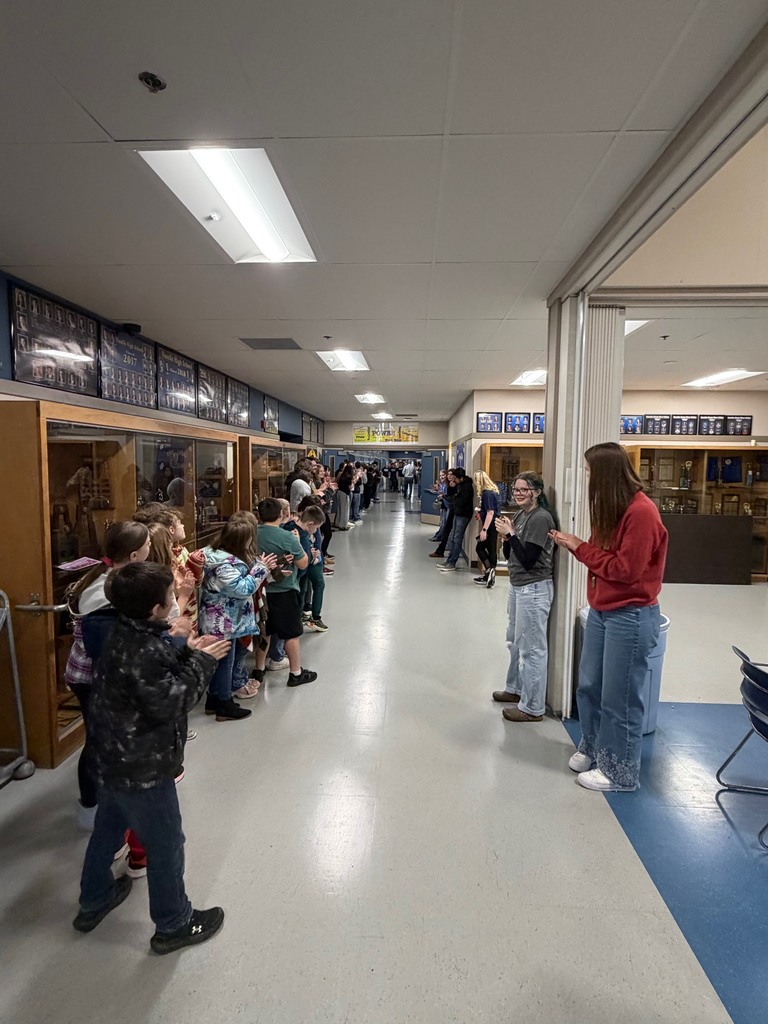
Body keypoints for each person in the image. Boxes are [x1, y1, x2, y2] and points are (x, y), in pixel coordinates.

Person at [73, 561, 230, 954]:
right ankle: (173, 923)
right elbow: (172, 700)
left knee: (108, 830)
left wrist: (183, 648)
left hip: (111, 756)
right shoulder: (142, 649)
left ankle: (95, 897)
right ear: (156, 608)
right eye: (170, 597)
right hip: (142, 766)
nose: (174, 601)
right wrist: (203, 661)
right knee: (166, 842)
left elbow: (153, 674)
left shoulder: (121, 630)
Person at [551, 442, 668, 792]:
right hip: (603, 612)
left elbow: (625, 570)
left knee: (620, 697)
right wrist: (579, 547)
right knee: (589, 685)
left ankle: (620, 772)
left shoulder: (641, 513)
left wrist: (580, 547)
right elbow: (602, 555)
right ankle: (594, 746)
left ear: (604, 475)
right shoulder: (611, 510)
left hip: (630, 616)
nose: (586, 478)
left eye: (589, 472)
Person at [64, 521, 151, 832]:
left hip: (95, 672)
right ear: (134, 555)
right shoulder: (107, 591)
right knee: (99, 741)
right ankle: (94, 806)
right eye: (147, 545)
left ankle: (106, 802)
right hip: (94, 676)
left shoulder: (112, 579)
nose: (151, 549)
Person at [493, 473, 556, 722]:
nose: (518, 493)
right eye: (516, 489)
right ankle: (515, 688)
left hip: (534, 588)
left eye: (524, 489)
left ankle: (532, 707)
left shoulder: (540, 518)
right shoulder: (520, 515)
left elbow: (529, 560)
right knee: (515, 641)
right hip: (518, 585)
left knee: (532, 649)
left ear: (537, 492)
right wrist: (507, 536)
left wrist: (510, 535)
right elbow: (510, 554)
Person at [198, 519, 272, 720]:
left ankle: (214, 699)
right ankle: (224, 704)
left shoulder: (218, 556)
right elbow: (242, 589)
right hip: (223, 621)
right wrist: (261, 569)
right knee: (225, 663)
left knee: (222, 661)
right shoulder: (224, 565)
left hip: (223, 618)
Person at [251, 498, 316, 686]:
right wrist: (298, 543)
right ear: (281, 514)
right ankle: (296, 672)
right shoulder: (287, 537)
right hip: (284, 590)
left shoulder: (252, 534)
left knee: (264, 631)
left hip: (260, 591)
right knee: (291, 633)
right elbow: (302, 563)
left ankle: (259, 669)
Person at [438, 468, 473, 572]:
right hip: (457, 512)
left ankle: (452, 562)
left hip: (464, 514)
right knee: (453, 537)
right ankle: (449, 560)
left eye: (455, 479)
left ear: (460, 478)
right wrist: (452, 488)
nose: (454, 480)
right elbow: (451, 495)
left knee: (457, 538)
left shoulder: (467, 486)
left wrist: (455, 498)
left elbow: (461, 501)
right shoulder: (459, 485)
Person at [473, 471, 501, 588]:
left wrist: (484, 530)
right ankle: (488, 574)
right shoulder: (492, 491)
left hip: (490, 525)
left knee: (481, 548)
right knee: (490, 549)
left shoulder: (487, 494)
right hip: (493, 524)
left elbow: (490, 512)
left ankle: (490, 571)